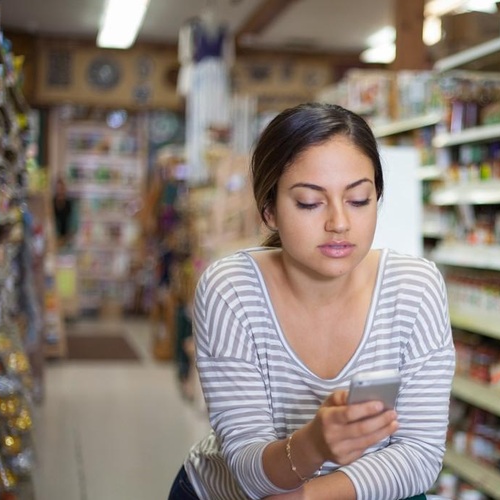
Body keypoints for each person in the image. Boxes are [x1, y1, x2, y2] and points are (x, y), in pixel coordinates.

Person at [169, 102, 455, 500]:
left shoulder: (415, 288)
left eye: (358, 200)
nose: (339, 222)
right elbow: (248, 471)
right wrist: (313, 445)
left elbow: (420, 455)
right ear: (269, 209)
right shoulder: (231, 289)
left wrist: (309, 496)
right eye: (309, 202)